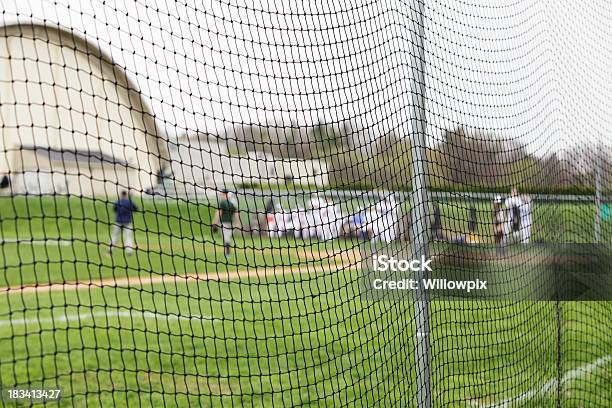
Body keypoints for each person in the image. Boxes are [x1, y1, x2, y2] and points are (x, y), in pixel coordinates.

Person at [109, 190, 138, 255]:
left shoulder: (118, 202)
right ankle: (129, 251)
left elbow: (114, 210)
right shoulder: (130, 202)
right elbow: (136, 209)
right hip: (127, 222)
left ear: (121, 195)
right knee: (128, 237)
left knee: (114, 236)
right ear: (126, 195)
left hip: (118, 221)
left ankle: (110, 250)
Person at [214, 190, 238, 257]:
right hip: (231, 223)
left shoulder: (222, 203)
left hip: (224, 222)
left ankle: (227, 253)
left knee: (225, 238)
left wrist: (214, 221)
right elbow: (236, 214)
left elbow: (219, 212)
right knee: (228, 237)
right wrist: (238, 222)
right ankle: (227, 252)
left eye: (222, 194)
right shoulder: (232, 204)